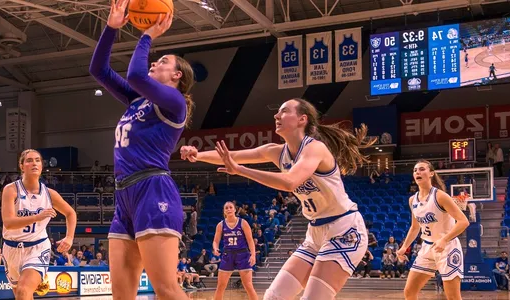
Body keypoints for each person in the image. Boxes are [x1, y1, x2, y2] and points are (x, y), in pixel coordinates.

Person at [181, 98, 375, 300]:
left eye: (283, 111)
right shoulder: (277, 152)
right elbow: (232, 156)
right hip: (315, 233)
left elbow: (290, 182)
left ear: (302, 119)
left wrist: (240, 171)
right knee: (273, 296)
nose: (276, 115)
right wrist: (198, 155)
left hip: (344, 230)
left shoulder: (314, 148)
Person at [91, 0, 192, 298]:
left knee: (166, 289)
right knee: (121, 295)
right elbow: (98, 69)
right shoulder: (137, 100)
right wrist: (111, 28)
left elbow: (136, 74)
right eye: (155, 60)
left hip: (153, 189)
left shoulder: (175, 103)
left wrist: (147, 35)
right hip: (124, 195)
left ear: (177, 77)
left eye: (163, 63)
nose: (154, 63)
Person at [0, 149, 77, 300]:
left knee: (23, 290)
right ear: (21, 166)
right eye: (29, 160)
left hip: (37, 248)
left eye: (37, 160)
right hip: (11, 249)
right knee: (20, 294)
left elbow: (71, 213)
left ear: (41, 166)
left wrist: (69, 237)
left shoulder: (49, 194)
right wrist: (38, 217)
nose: (34, 163)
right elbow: (8, 223)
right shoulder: (11, 190)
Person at [398, 161, 470, 300]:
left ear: (431, 173)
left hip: (447, 248)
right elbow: (415, 227)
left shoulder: (440, 196)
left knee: (453, 297)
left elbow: (463, 222)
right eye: (415, 170)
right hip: (427, 248)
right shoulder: (412, 199)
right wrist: (404, 247)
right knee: (409, 292)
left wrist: (444, 239)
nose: (417, 172)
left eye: (421, 169)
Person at [211, 202, 258, 300]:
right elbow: (215, 241)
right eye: (226, 208)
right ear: (224, 211)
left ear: (235, 209)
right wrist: (215, 248)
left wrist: (253, 255)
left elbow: (250, 240)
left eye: (230, 207)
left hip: (243, 254)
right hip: (228, 255)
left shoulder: (243, 223)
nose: (228, 209)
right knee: (220, 286)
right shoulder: (220, 225)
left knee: (248, 285)